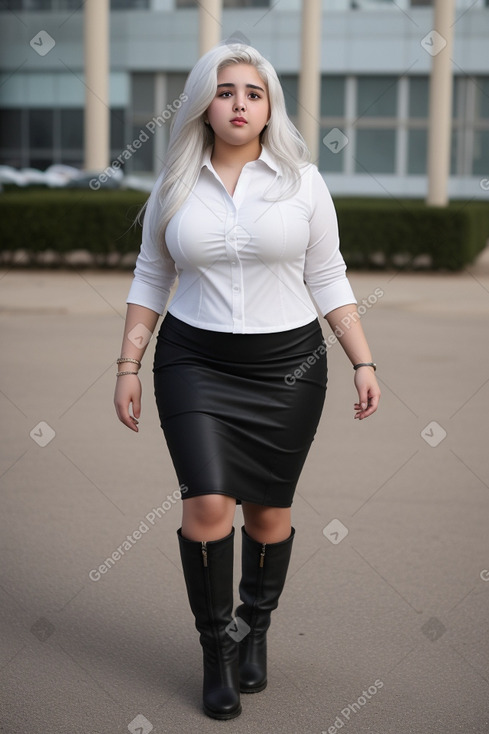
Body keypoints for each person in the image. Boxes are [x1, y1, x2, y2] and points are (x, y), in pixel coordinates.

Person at [114, 42, 380, 721]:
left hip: (285, 367)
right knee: (206, 506)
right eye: (226, 90)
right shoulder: (173, 183)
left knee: (267, 513)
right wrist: (128, 365)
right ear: (205, 101)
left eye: (253, 93)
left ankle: (253, 630)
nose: (239, 104)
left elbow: (327, 275)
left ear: (269, 107)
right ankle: (215, 652)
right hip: (192, 363)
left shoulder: (301, 181)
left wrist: (362, 359)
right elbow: (151, 276)